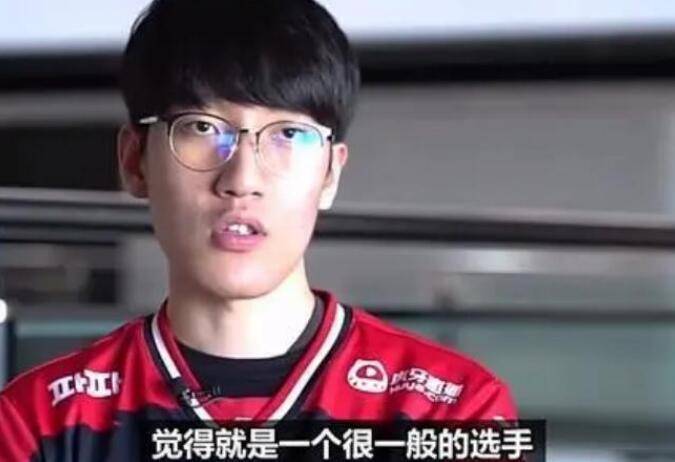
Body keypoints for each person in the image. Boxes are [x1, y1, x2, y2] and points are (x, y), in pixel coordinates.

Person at [0, 0, 517, 460]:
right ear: (135, 162)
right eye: (203, 127)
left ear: (330, 174)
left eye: (288, 133)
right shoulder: (37, 423)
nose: (242, 179)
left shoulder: (452, 411)